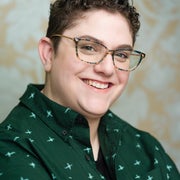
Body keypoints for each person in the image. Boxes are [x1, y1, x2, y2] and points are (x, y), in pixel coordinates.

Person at [0, 0, 179, 179]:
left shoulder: (148, 148)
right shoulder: (10, 148)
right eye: (89, 47)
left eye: (121, 55)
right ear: (49, 54)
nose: (108, 69)